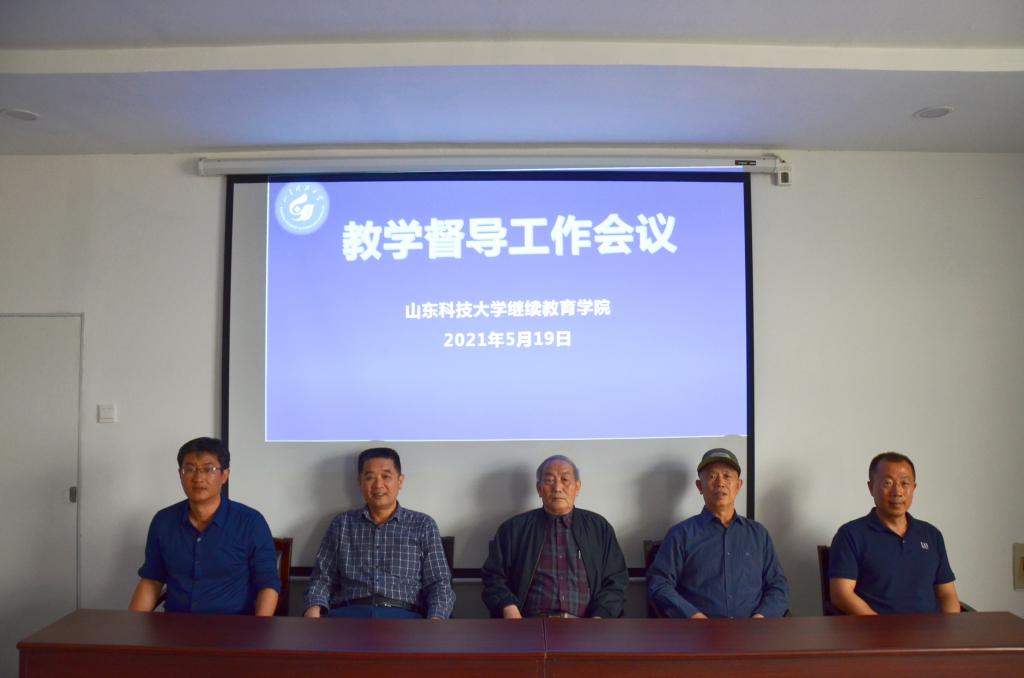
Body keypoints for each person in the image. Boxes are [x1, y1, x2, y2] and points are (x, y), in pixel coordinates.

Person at [129, 437, 280, 615]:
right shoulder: (163, 521)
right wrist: (131, 626)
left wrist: (259, 629)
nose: (198, 478)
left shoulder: (250, 523)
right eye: (190, 469)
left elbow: (268, 584)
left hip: (233, 626)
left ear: (225, 475)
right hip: (175, 625)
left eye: (208, 469)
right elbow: (152, 580)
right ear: (180, 474)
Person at [303, 447, 454, 619]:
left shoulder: (423, 525)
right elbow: (322, 578)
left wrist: (435, 620)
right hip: (349, 616)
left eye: (386, 476)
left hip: (404, 618)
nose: (378, 484)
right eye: (369, 477)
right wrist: (313, 611)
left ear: (400, 481)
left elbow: (439, 584)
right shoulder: (342, 524)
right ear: (360, 483)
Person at [646, 448, 789, 618]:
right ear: (700, 486)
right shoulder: (680, 535)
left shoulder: (758, 534)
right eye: (712, 476)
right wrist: (692, 616)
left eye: (727, 476)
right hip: (697, 631)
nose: (720, 483)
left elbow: (778, 586)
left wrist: (761, 618)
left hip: (753, 629)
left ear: (739, 485)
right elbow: (659, 584)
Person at [481, 455, 628, 618]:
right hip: (528, 625)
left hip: (587, 625)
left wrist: (599, 617)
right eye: (549, 480)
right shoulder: (513, 530)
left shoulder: (599, 528)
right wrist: (509, 608)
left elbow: (616, 581)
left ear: (577, 487)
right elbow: (493, 578)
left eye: (565, 480)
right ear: (539, 488)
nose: (557, 488)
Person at [828, 451, 960, 615]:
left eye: (905, 483)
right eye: (887, 483)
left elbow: (947, 594)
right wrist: (881, 627)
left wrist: (952, 627)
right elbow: (841, 595)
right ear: (871, 487)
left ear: (914, 488)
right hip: (875, 629)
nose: (897, 492)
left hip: (930, 630)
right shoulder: (851, 534)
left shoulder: (931, 535)